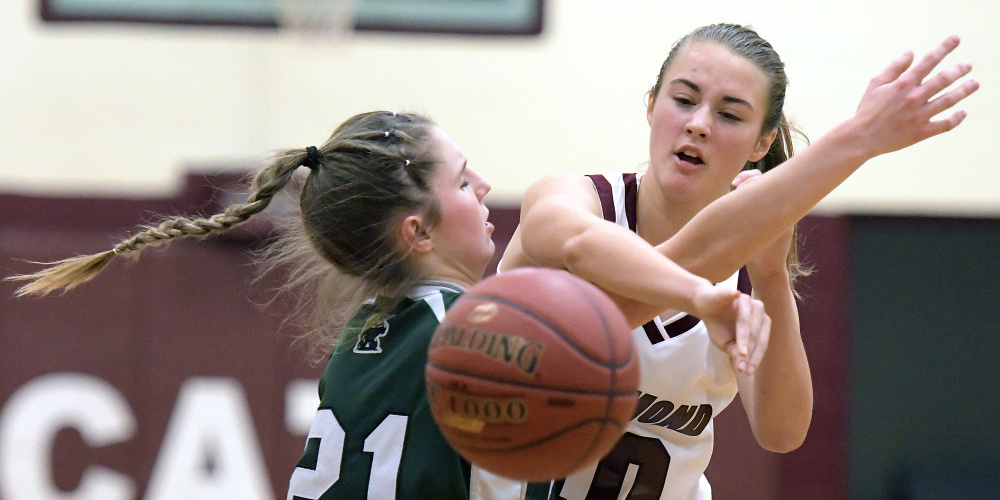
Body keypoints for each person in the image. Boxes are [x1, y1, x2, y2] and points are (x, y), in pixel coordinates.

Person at [8, 110, 769, 499]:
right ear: (417, 229)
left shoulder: (367, 339)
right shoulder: (473, 333)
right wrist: (848, 149)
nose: (482, 187)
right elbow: (674, 267)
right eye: (464, 179)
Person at [502, 24, 978, 499]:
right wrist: (856, 140)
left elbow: (782, 432)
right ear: (650, 105)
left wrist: (771, 277)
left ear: (761, 144)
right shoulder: (574, 197)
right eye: (684, 100)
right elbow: (581, 252)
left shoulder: (749, 274)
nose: (699, 124)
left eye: (729, 115)